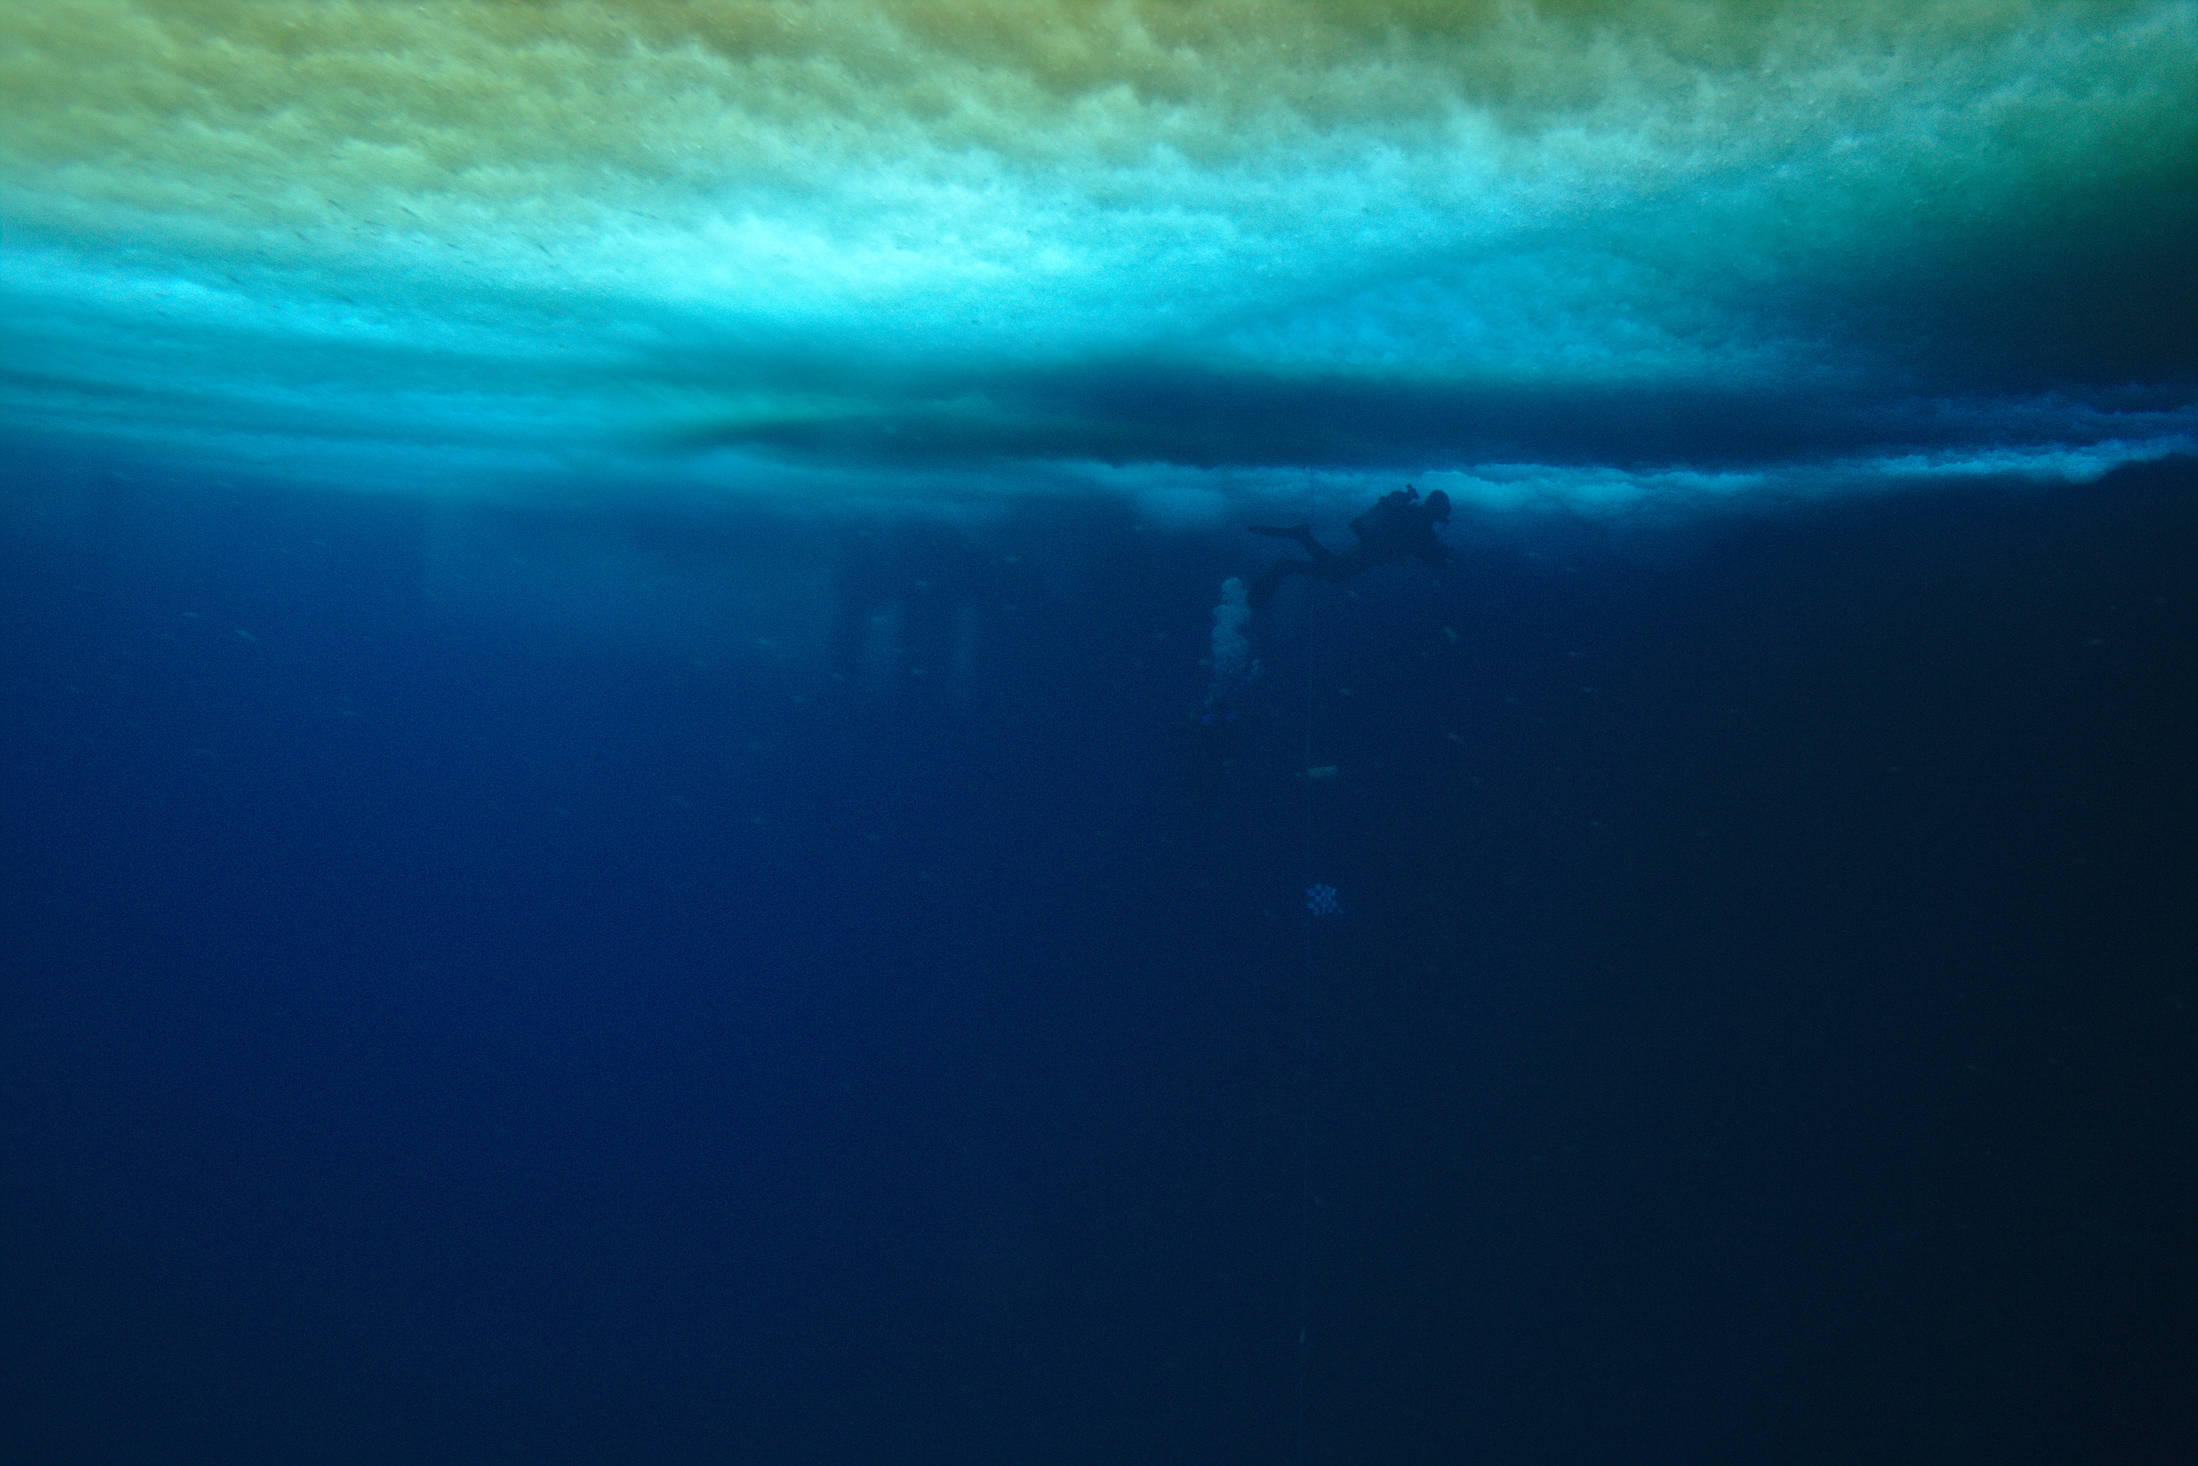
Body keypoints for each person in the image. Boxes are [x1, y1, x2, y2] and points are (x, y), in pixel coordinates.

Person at [1246, 485, 1451, 607]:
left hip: (1368, 550)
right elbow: (1425, 552)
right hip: (1370, 552)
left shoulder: (1415, 518)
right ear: (1437, 510)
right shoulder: (1419, 525)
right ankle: (1288, 563)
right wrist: (1445, 558)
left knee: (1334, 568)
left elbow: (1422, 549)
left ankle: (1302, 537)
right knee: (1335, 573)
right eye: (1441, 514)